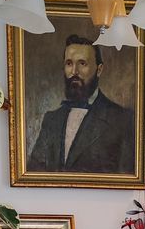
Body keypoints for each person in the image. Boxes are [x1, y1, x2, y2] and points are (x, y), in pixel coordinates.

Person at [27, 35, 135, 174]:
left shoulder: (122, 120)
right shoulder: (51, 120)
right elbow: (34, 172)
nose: (74, 72)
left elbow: (126, 177)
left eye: (82, 63)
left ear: (99, 69)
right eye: (69, 63)